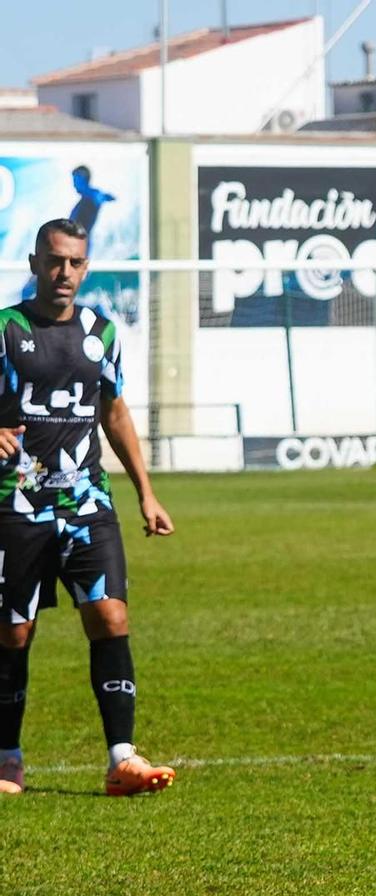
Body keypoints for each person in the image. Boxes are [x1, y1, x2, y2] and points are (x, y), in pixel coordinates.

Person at [0, 219, 176, 799]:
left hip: (86, 499)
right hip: (16, 501)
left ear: (86, 266)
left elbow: (115, 411)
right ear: (34, 263)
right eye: (54, 261)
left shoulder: (102, 331)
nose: (65, 273)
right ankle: (7, 759)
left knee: (111, 617)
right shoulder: (5, 329)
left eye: (75, 263)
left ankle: (122, 758)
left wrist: (145, 492)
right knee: (13, 633)